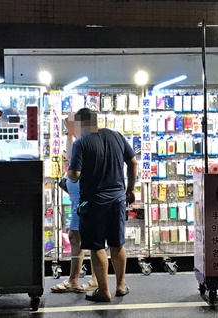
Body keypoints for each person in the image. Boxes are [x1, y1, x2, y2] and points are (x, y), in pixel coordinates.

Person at [66, 108, 137, 302]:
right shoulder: (116, 136)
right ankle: (121, 285)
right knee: (117, 243)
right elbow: (133, 162)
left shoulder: (81, 143)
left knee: (96, 246)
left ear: (81, 125)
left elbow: (74, 175)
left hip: (93, 201)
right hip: (117, 199)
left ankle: (103, 291)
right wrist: (130, 189)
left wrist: (68, 172)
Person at [50, 133, 98, 293]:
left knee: (88, 240)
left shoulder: (84, 152)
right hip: (80, 203)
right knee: (78, 239)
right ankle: (79, 279)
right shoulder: (85, 150)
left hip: (84, 204)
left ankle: (89, 280)